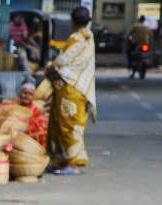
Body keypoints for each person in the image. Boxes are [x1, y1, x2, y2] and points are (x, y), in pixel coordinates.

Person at [45, 5, 95, 175]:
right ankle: (61, 161)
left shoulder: (76, 38)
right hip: (81, 88)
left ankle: (71, 164)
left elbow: (64, 59)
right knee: (72, 124)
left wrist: (51, 66)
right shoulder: (89, 37)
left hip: (69, 88)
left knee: (67, 125)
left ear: (73, 22)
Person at [15, 81, 48, 147]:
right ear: (20, 94)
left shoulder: (36, 110)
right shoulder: (13, 108)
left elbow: (39, 129)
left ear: (33, 97)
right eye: (24, 93)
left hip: (31, 141)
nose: (27, 96)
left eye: (30, 94)